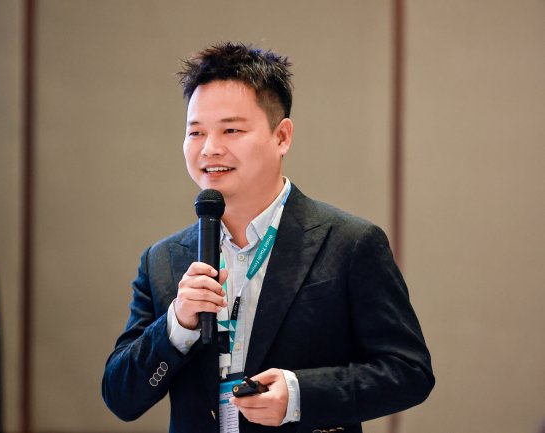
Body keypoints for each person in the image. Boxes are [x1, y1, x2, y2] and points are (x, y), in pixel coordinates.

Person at [102, 42, 434, 433]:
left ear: (282, 137)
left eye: (231, 130)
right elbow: (121, 397)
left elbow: (409, 372)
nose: (210, 148)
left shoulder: (349, 243)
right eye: (196, 132)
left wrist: (298, 396)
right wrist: (176, 325)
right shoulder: (163, 259)